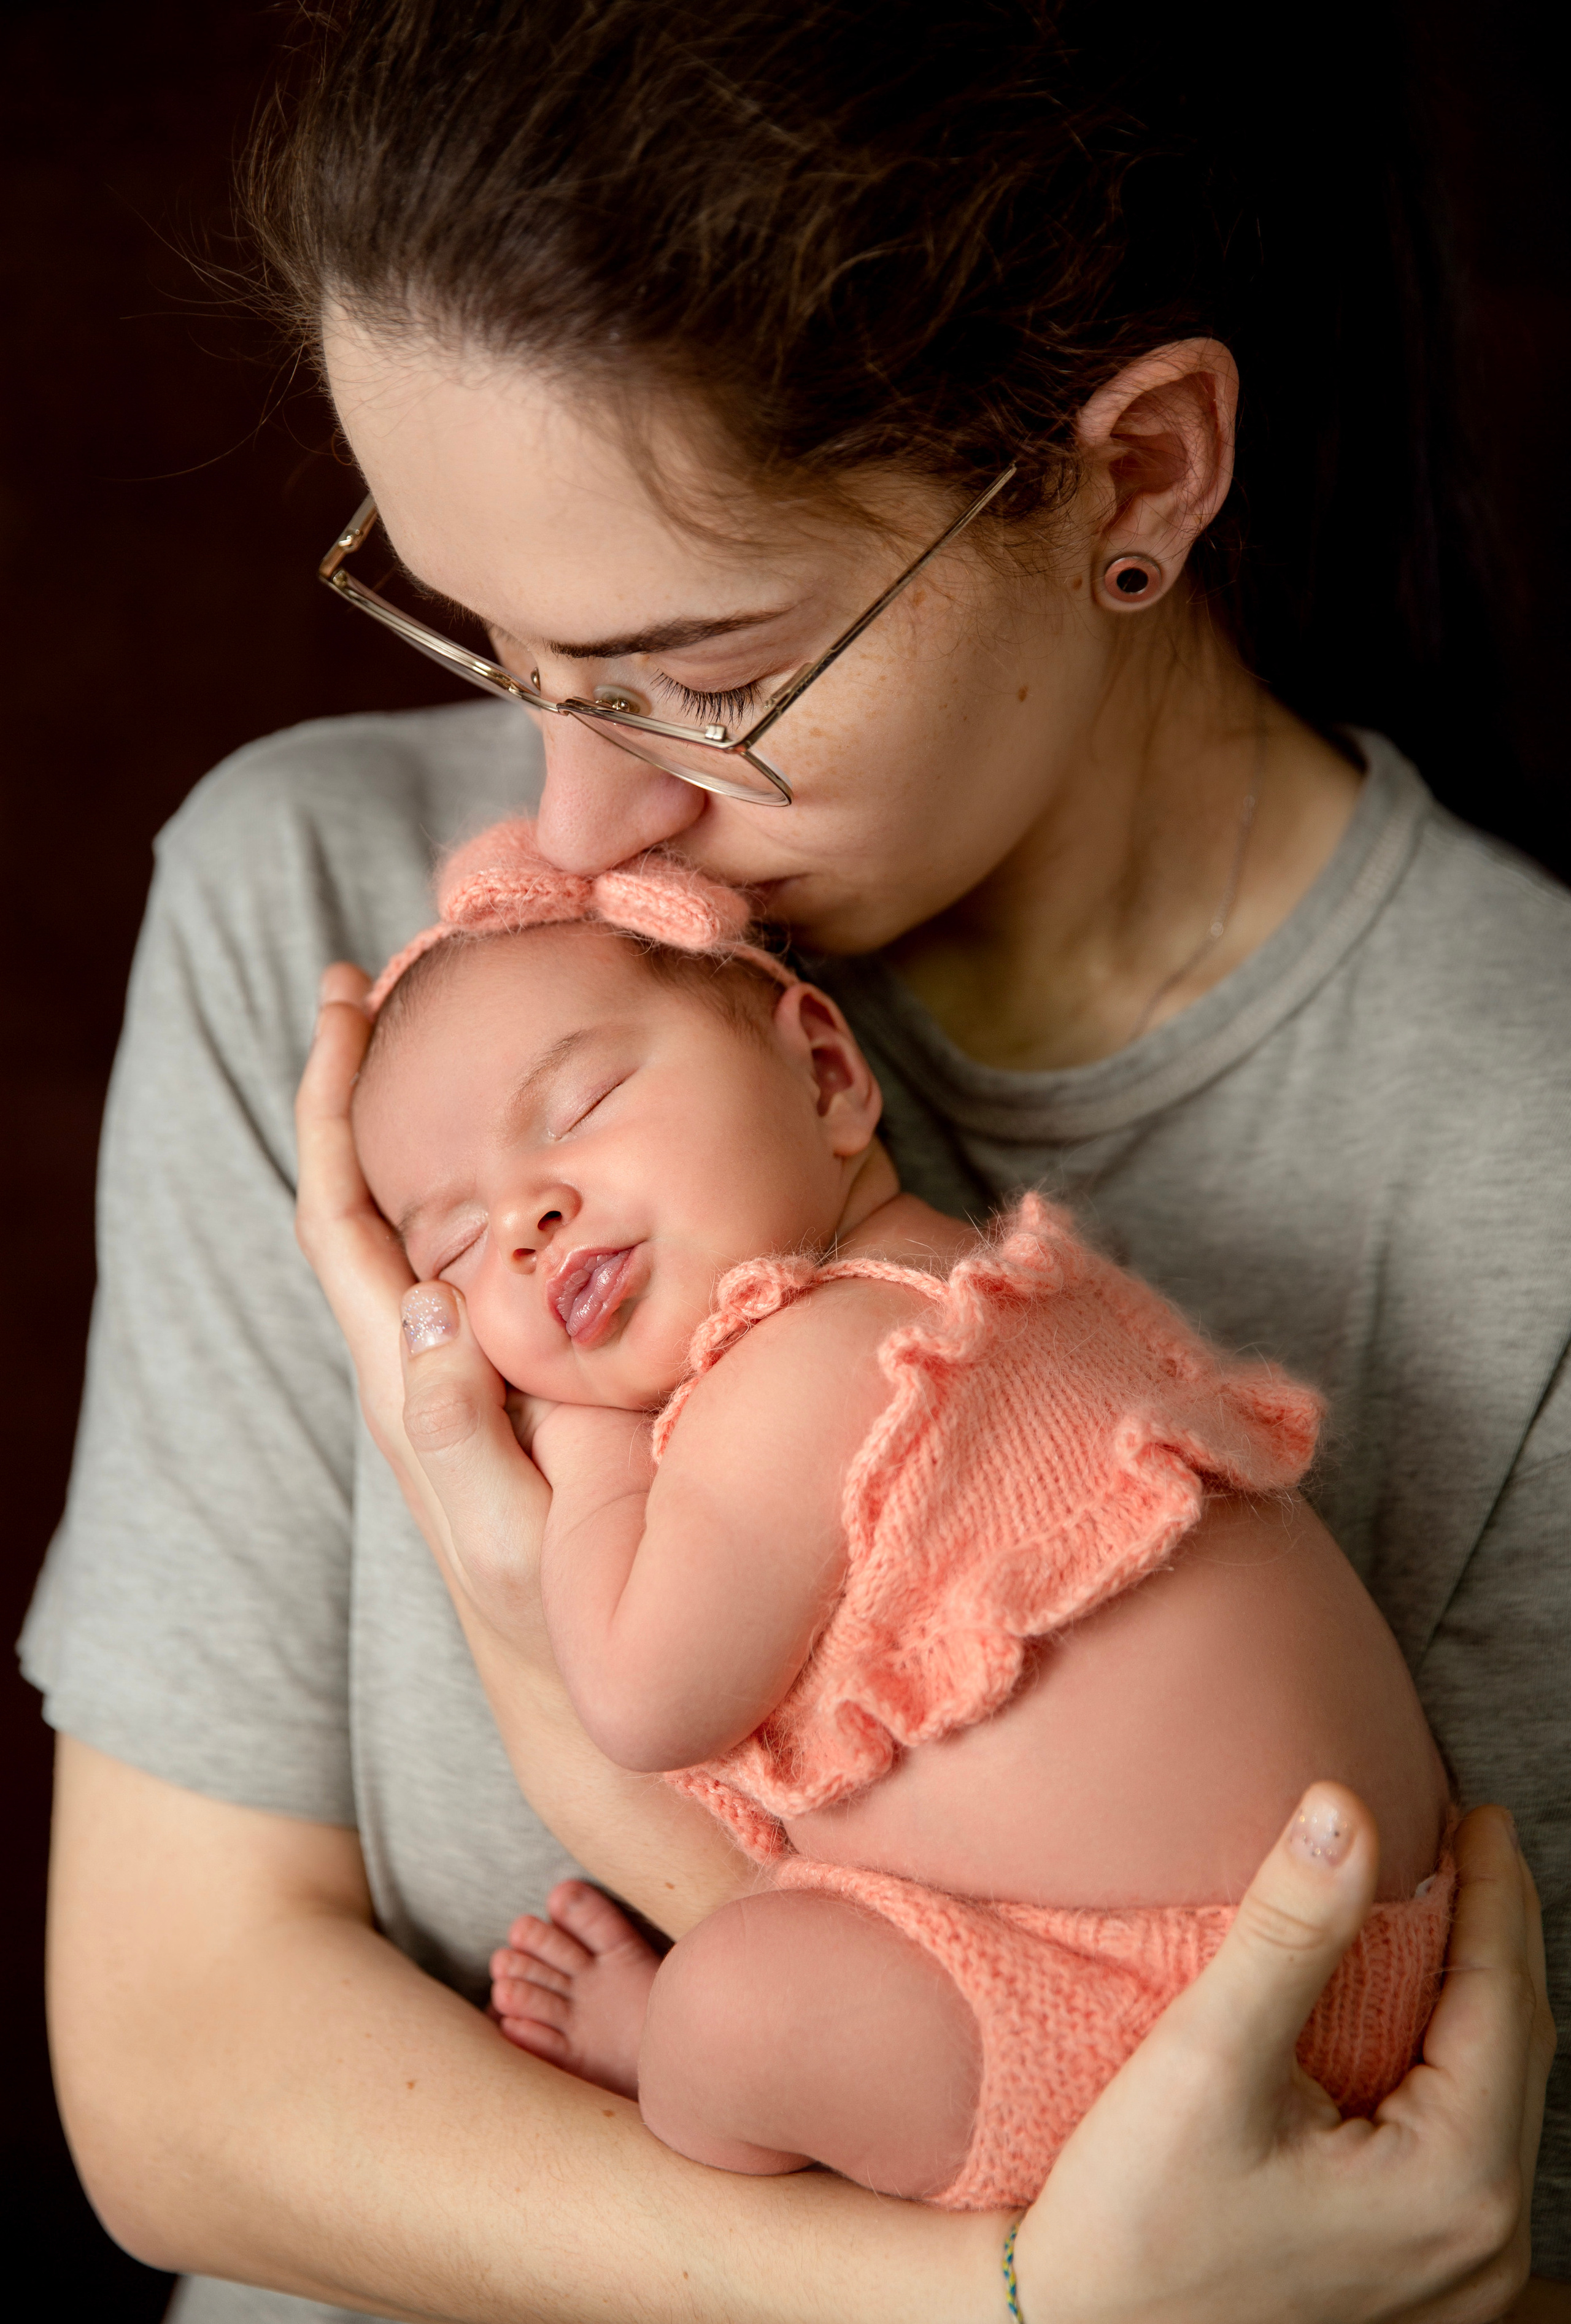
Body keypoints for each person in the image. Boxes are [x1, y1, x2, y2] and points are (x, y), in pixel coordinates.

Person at [25, 2, 1564, 2318]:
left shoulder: (1523, 1132)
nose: (564, 825)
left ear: (1136, 474)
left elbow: (1426, 2229)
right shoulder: (328, 916)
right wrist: (1029, 2299)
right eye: (496, 641)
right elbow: (178, 2075)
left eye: (692, 673)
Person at [350, 813, 1453, 2208]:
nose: (526, 1221)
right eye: (452, 1242)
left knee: (730, 2010)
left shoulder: (803, 1359)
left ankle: (652, 2044)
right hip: (1337, 1969)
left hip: (1156, 2016)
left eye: (573, 1113)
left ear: (823, 1073)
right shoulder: (963, 1290)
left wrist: (584, 1443)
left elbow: (640, 1695)